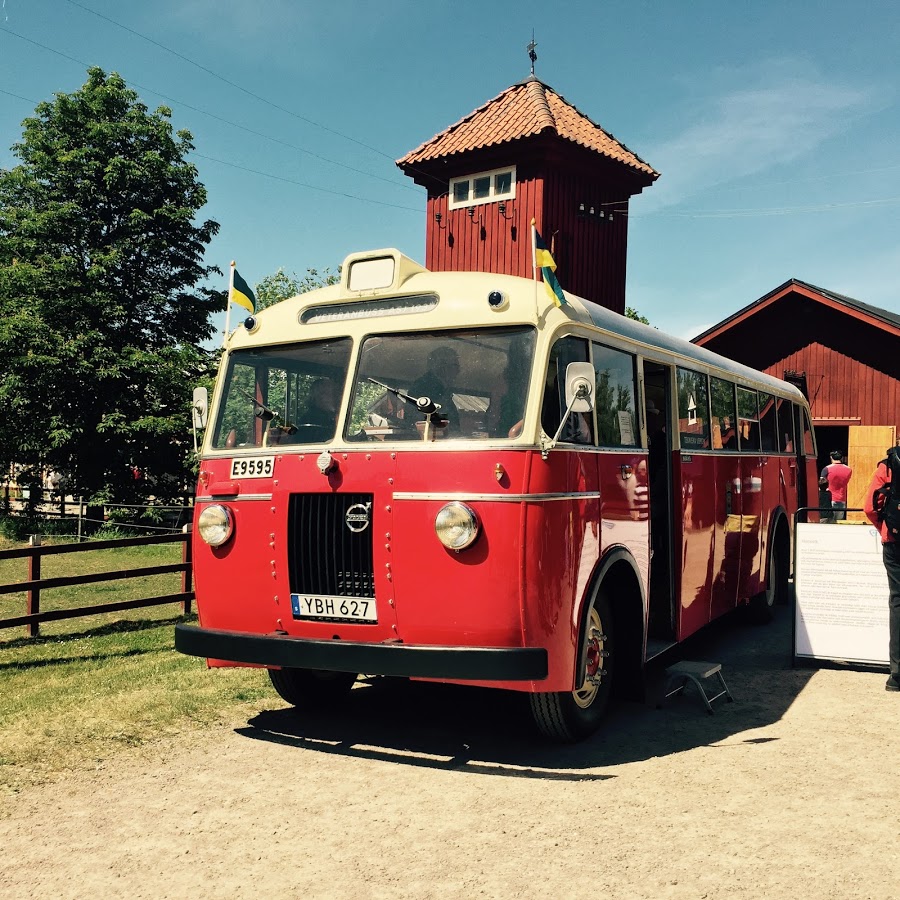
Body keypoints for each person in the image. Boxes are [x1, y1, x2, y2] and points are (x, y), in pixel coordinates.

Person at [864, 446, 900, 692]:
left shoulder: (888, 464)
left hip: (895, 541)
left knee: (897, 601)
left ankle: (896, 676)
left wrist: (884, 529)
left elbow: (870, 506)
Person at [409, 347, 460, 431]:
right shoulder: (425, 386)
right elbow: (430, 419)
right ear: (442, 366)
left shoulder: (441, 387)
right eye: (455, 366)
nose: (458, 370)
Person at [820, 450, 852, 522]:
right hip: (842, 498)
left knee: (829, 522)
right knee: (839, 522)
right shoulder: (849, 469)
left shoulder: (826, 469)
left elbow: (821, 483)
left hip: (829, 499)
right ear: (841, 458)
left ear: (831, 457)